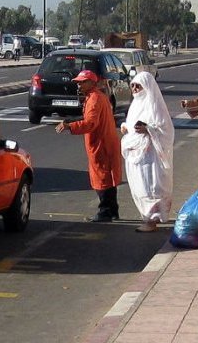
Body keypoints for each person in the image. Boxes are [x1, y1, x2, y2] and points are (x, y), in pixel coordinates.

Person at [56, 70, 122, 222]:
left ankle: (105, 211)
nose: (79, 85)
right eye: (78, 82)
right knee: (107, 176)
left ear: (92, 83)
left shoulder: (94, 99)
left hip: (100, 143)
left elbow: (90, 123)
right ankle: (112, 210)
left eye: (82, 82)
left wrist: (70, 126)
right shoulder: (98, 97)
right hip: (105, 141)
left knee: (102, 176)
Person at [121, 71, 174, 232]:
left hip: (151, 157)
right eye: (133, 86)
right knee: (139, 185)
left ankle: (152, 221)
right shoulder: (135, 105)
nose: (136, 89)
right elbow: (131, 124)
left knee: (150, 186)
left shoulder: (155, 106)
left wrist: (148, 129)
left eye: (139, 86)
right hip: (136, 154)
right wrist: (127, 126)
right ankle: (147, 218)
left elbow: (166, 129)